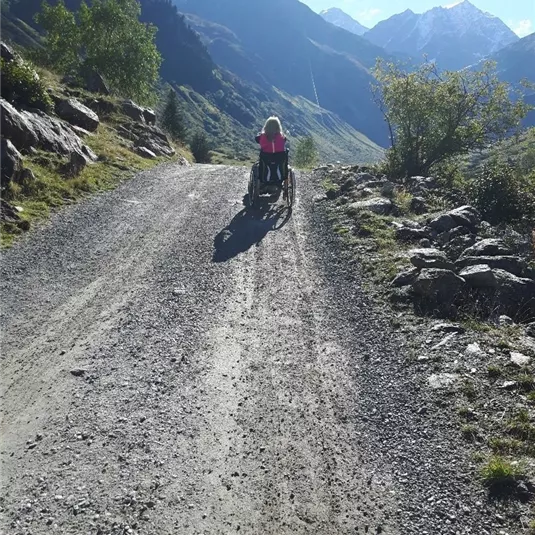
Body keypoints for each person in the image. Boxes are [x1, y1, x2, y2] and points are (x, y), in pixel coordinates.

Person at [255, 117, 288, 193]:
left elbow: (256, 139)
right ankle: (281, 184)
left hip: (266, 158)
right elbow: (284, 141)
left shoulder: (262, 136)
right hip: (279, 159)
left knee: (261, 163)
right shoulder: (282, 137)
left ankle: (262, 184)